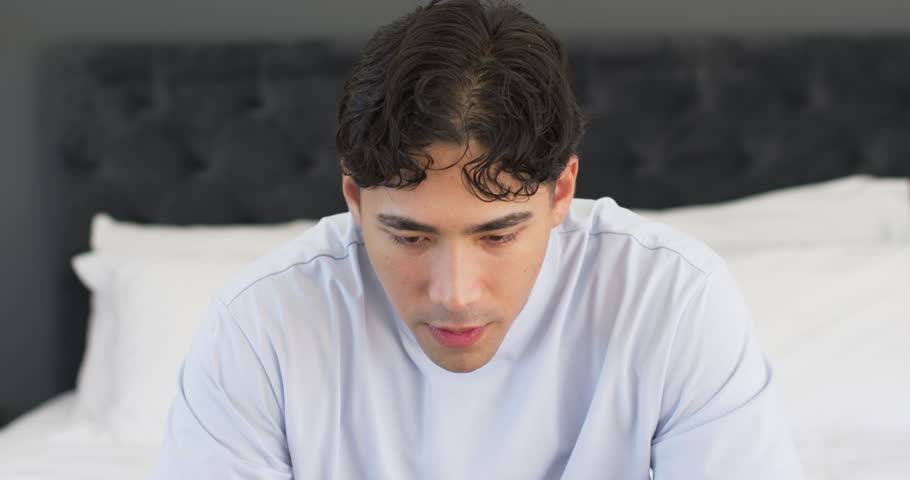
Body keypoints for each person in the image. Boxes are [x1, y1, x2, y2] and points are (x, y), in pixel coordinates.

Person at [152, 0, 804, 478]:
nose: (456, 295)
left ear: (561, 192)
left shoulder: (672, 299)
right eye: (410, 237)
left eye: (498, 234)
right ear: (354, 198)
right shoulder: (262, 324)